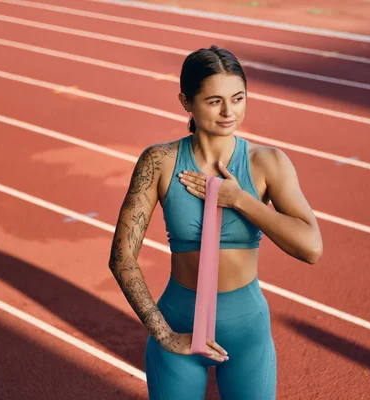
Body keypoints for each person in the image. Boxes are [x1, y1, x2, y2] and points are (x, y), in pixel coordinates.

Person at [108, 45, 323, 400]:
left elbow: (312, 248)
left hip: (247, 331)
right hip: (178, 322)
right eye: (214, 101)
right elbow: (122, 257)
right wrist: (162, 333)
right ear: (186, 102)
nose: (229, 112)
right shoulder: (159, 162)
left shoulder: (267, 163)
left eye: (238, 99)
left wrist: (239, 199)